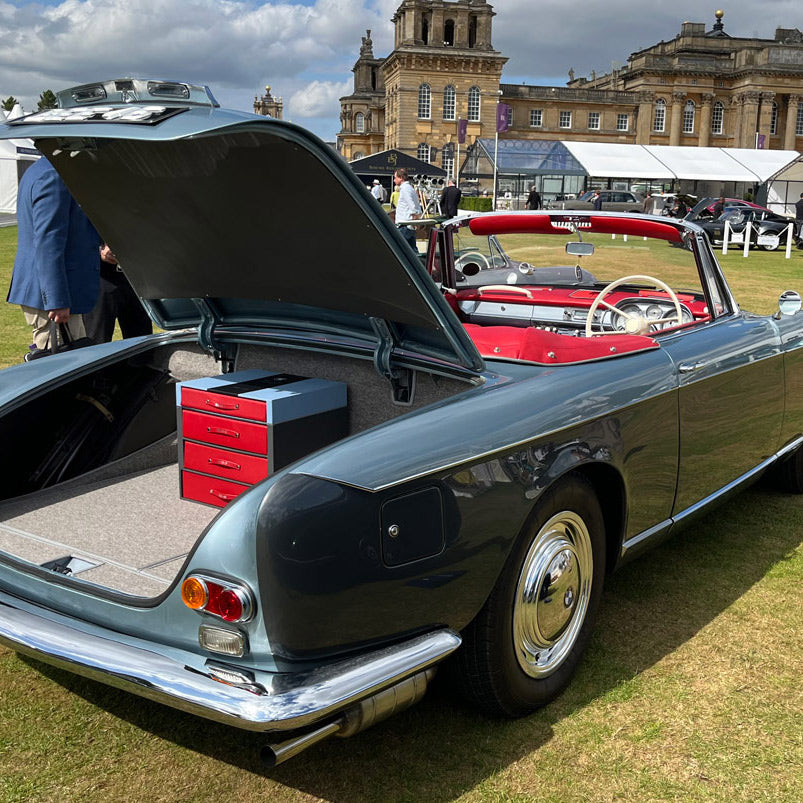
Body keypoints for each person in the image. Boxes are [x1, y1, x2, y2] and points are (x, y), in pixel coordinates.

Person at [7, 157, 100, 352]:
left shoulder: (42, 170)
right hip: (52, 299)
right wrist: (57, 300)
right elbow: (48, 242)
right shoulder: (53, 175)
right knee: (60, 363)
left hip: (54, 294)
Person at [83, 244, 153, 344]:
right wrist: (100, 248)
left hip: (135, 276)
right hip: (100, 276)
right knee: (97, 343)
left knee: (142, 344)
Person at [393, 167, 422, 249]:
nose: (394, 180)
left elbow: (412, 205)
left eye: (395, 178)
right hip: (409, 225)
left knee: (401, 249)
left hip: (404, 224)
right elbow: (416, 205)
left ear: (401, 178)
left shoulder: (405, 189)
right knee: (412, 250)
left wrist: (415, 218)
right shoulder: (410, 188)